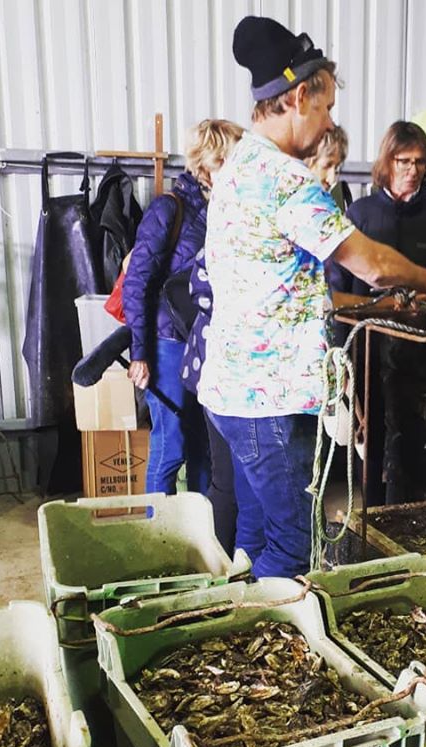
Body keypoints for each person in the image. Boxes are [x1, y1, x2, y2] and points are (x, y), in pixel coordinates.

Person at [198, 16, 426, 579]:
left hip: (232, 390)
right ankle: (267, 627)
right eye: (324, 108)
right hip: (269, 400)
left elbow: (288, 291)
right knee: (295, 547)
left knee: (259, 536)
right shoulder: (286, 179)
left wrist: (371, 307)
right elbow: (371, 264)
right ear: (298, 97)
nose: (327, 123)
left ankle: (243, 609)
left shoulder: (240, 165)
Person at [329, 120, 426, 504]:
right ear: (387, 162)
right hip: (367, 349)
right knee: (370, 438)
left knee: (416, 439)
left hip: (423, 352)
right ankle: (372, 514)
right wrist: (341, 360)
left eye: (420, 162)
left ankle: (407, 516)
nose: (412, 170)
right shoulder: (359, 216)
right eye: (403, 161)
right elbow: (334, 292)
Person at [123, 120, 226, 494]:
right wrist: (139, 354)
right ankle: (158, 526)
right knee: (171, 445)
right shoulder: (169, 209)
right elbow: (136, 281)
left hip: (203, 343)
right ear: (207, 165)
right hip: (166, 342)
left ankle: (197, 526)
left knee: (204, 447)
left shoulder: (224, 214)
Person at [173, 121, 245, 554]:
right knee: (227, 480)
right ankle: (220, 564)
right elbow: (197, 284)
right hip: (216, 359)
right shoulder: (214, 214)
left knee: (231, 476)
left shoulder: (221, 209)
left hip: (216, 359)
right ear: (209, 167)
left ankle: (227, 559)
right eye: (228, 160)